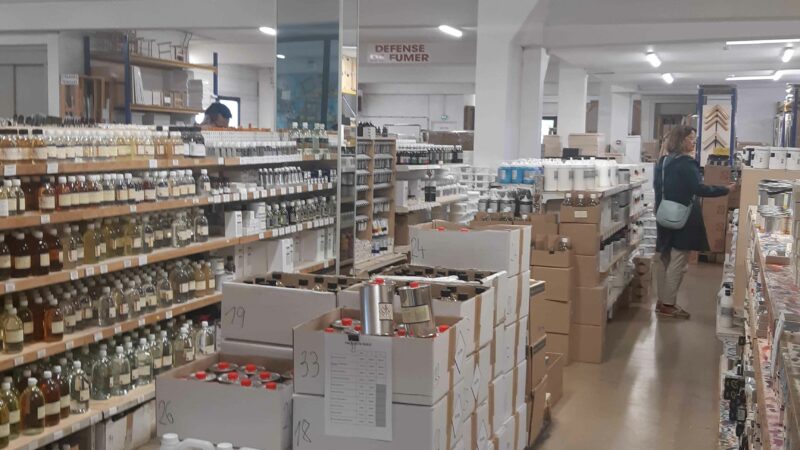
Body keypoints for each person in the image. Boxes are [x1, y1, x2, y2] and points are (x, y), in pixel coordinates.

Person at [653, 125, 735, 319]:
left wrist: (660, 210)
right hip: (683, 217)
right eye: (691, 139)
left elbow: (657, 187)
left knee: (664, 257)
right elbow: (699, 189)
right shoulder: (687, 164)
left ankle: (661, 301)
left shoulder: (663, 162)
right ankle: (668, 305)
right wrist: (725, 189)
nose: (694, 142)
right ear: (682, 141)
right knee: (678, 260)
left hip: (664, 215)